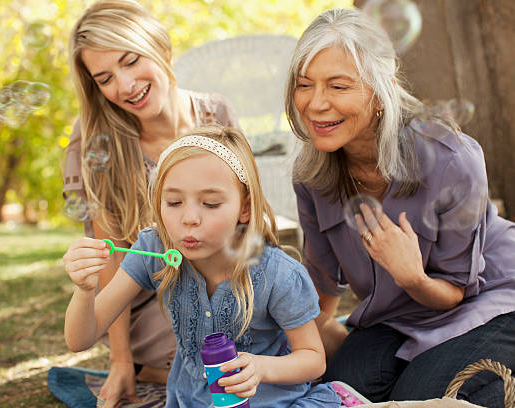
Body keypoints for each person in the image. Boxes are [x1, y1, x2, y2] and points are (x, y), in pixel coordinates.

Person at [284, 7, 515, 407]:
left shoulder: (451, 158)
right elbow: (323, 284)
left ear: (380, 90)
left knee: (422, 399)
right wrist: (288, 345)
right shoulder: (311, 175)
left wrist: (412, 276)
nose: (316, 103)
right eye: (305, 85)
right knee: (338, 394)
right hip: (393, 317)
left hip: (484, 300)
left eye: (338, 87)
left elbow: (456, 291)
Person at [63, 126, 342, 408]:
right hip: (191, 399)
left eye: (210, 203)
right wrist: (84, 290)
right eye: (173, 202)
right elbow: (79, 340)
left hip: (269, 400)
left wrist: (261, 367)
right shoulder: (155, 250)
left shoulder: (277, 274)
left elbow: (313, 359)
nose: (190, 218)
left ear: (244, 208)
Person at [62, 1, 240, 406]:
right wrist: (120, 360)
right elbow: (110, 259)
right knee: (210, 352)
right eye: (105, 78)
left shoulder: (217, 113)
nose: (124, 86)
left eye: (130, 61)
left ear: (158, 45)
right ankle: (148, 365)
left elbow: (245, 217)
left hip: (223, 273)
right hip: (150, 294)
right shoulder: (96, 139)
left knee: (274, 336)